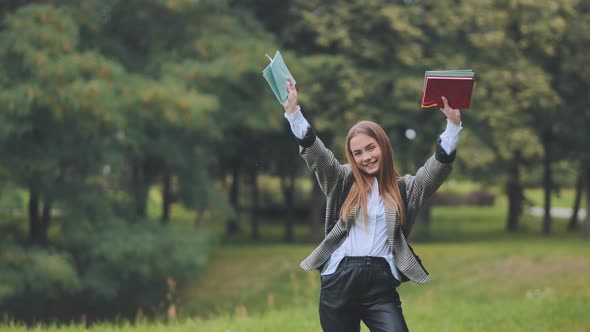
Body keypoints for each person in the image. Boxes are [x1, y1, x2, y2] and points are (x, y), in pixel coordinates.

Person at [282, 78, 462, 332]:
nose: (366, 157)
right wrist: (294, 114)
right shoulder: (341, 180)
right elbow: (317, 154)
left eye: (370, 148)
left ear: (383, 146)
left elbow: (437, 169)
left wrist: (453, 126)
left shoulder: (405, 188)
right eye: (358, 153)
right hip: (339, 282)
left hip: (380, 286)